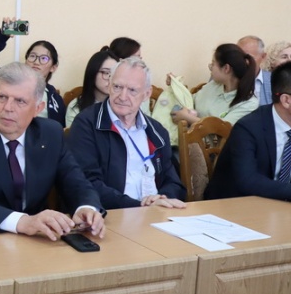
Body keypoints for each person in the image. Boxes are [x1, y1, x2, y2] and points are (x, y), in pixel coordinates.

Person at [0, 62, 104, 239]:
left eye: (20, 101)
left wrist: (86, 208)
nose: (8, 108)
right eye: (2, 97)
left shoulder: (50, 134)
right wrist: (22, 222)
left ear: (38, 108)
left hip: (37, 238)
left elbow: (76, 182)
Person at [206, 61, 291, 204]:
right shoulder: (248, 128)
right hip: (234, 205)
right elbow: (248, 180)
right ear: (286, 100)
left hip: (283, 207)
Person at [68, 57, 186, 209]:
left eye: (132, 90)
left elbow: (174, 183)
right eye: (117, 87)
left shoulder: (156, 131)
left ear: (146, 94)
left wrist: (162, 199)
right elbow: (86, 184)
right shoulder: (87, 124)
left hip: (156, 213)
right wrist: (139, 207)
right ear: (109, 86)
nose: (123, 97)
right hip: (111, 215)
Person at [0, 18, 66, 126]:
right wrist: (1, 36)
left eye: (44, 58)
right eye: (32, 56)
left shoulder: (55, 98)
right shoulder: (5, 82)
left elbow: (59, 129)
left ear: (53, 67)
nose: (36, 62)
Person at [170, 44, 259, 128]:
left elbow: (222, 129)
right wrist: (176, 84)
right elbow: (190, 100)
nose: (211, 68)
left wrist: (188, 118)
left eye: (213, 64)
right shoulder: (213, 85)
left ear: (226, 68)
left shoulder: (249, 103)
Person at [65, 49, 119, 128]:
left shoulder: (123, 104)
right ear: (92, 73)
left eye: (115, 73)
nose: (111, 79)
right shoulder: (76, 107)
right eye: (106, 73)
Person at [237, 35, 272, 105]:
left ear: (263, 57)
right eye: (239, 57)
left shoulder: (274, 81)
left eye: (249, 58)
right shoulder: (228, 79)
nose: (244, 62)